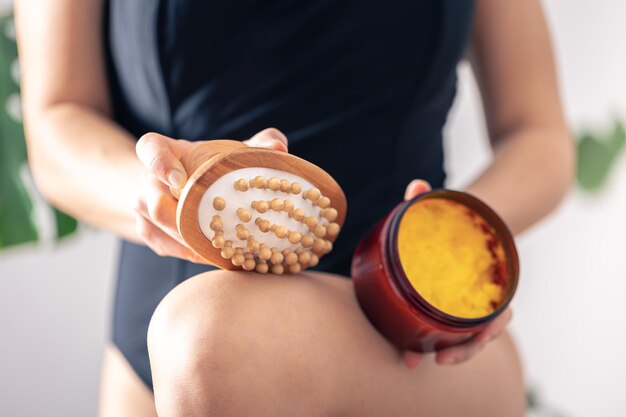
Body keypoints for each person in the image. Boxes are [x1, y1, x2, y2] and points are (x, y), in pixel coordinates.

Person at [15, 0, 574, 415]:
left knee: (208, 337)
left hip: (398, 334)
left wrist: (453, 249)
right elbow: (59, 116)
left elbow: (538, 134)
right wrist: (160, 192)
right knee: (201, 340)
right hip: (166, 356)